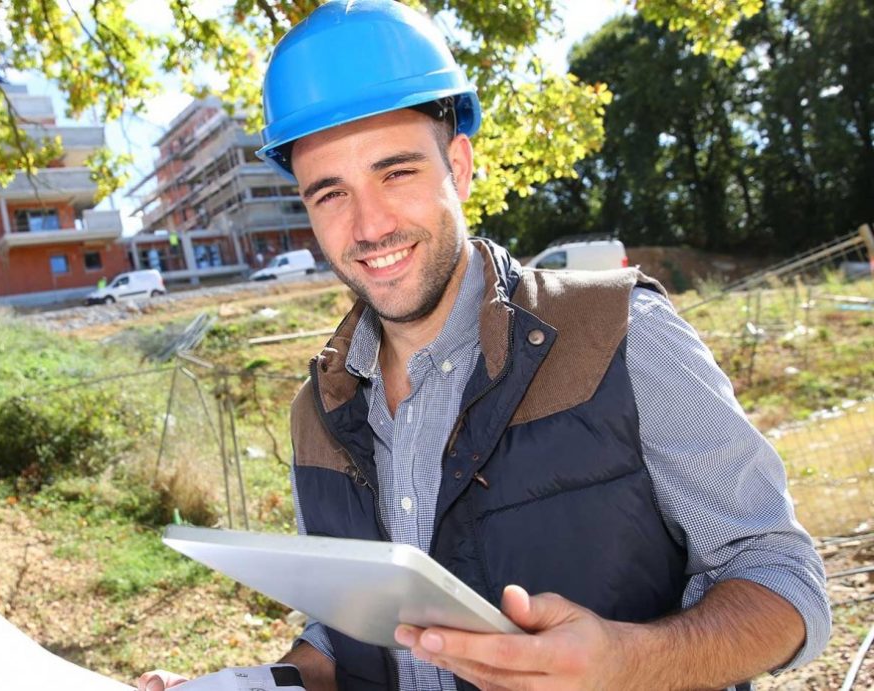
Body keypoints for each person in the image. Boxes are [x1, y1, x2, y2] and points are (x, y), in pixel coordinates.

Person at [140, 1, 830, 690]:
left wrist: (628, 662)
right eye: (330, 193)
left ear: (460, 168)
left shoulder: (622, 335)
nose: (369, 224)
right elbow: (348, 632)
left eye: (397, 172)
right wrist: (264, 682)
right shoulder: (315, 414)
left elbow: (782, 581)